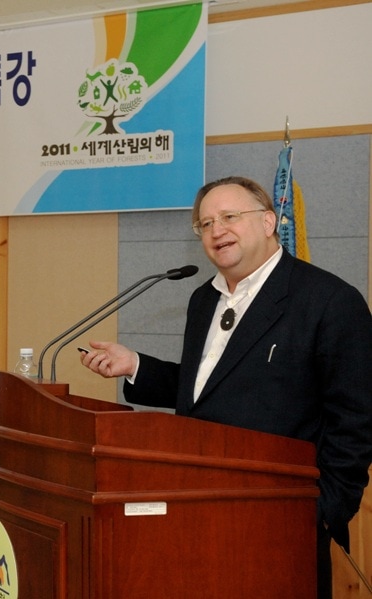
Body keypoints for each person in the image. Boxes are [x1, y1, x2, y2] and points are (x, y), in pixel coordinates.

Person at [80, 176, 372, 599]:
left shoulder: (329, 300)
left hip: (280, 519)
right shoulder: (204, 299)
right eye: (206, 223)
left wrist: (324, 509)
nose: (217, 230)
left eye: (230, 217)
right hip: (196, 506)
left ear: (268, 222)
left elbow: (357, 418)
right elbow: (210, 387)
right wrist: (136, 366)